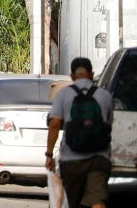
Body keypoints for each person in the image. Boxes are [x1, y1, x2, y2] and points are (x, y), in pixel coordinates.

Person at [47, 57, 114, 208]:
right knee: (97, 199)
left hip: (71, 160)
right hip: (99, 157)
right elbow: (108, 125)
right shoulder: (105, 95)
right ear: (92, 74)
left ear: (71, 76)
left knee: (74, 202)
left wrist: (49, 154)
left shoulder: (63, 94)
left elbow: (55, 123)